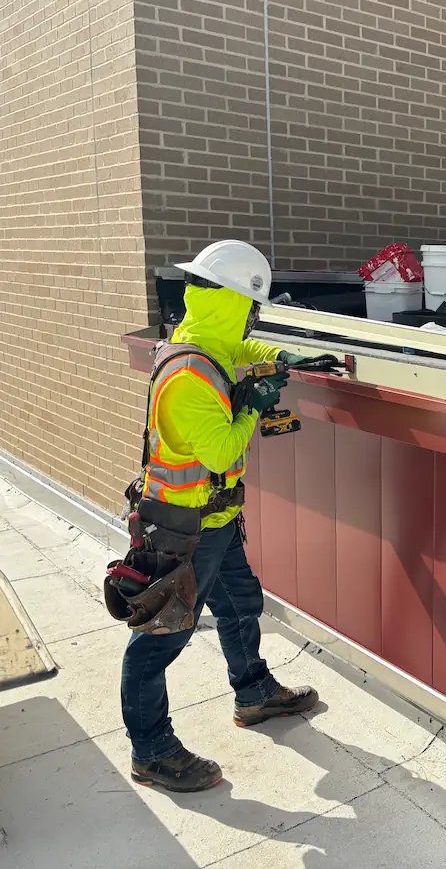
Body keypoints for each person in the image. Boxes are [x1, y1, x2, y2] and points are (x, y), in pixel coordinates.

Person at [121, 240, 325, 793]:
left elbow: (241, 350)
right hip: (181, 530)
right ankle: (152, 751)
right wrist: (254, 404)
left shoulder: (207, 342)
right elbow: (222, 454)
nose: (256, 317)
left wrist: (281, 360)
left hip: (215, 521)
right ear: (236, 302)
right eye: (253, 306)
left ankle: (254, 693)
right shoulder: (189, 374)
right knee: (159, 640)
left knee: (240, 605)